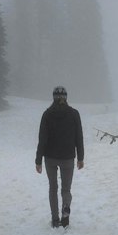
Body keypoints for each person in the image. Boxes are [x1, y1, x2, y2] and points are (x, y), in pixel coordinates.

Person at [35, 85, 84, 227]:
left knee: (53, 188)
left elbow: (42, 139)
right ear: (66, 97)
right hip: (68, 157)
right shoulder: (74, 114)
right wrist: (80, 157)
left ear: (53, 97)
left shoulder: (47, 114)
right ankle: (66, 212)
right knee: (66, 189)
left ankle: (55, 219)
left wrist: (38, 160)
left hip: (50, 157)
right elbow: (78, 137)